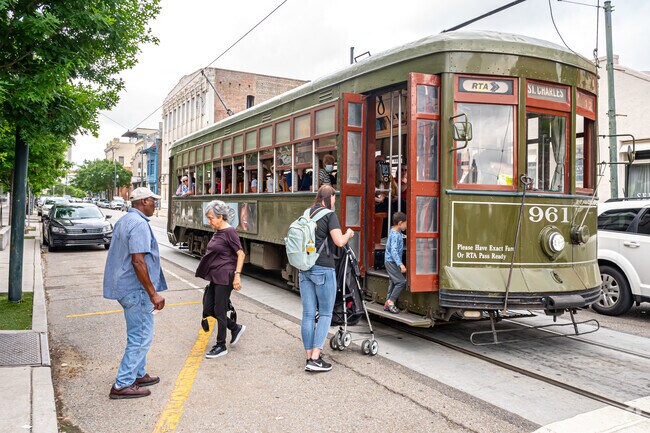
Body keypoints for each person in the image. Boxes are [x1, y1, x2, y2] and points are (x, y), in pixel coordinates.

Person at [103, 187, 167, 399]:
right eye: (152, 201)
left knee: (138, 332)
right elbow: (138, 261)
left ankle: (138, 374)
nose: (155, 205)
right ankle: (123, 384)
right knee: (140, 336)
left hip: (124, 286)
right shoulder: (139, 224)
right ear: (143, 201)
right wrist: (153, 293)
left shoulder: (125, 220)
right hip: (135, 288)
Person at [300, 185, 354, 372]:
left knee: (307, 314)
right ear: (329, 197)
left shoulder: (307, 212)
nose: (335, 201)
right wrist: (348, 233)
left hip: (304, 268)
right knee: (324, 313)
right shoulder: (329, 215)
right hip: (323, 268)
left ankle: (309, 356)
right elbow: (339, 241)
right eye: (334, 198)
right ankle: (315, 358)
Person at [196, 200, 246, 359]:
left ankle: (221, 345)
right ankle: (235, 327)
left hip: (226, 276)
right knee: (209, 308)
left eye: (211, 218)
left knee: (219, 309)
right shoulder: (217, 231)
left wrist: (237, 275)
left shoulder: (230, 231)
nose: (209, 221)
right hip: (215, 276)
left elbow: (241, 254)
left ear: (220, 216)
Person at [384, 211, 407, 314]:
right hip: (391, 262)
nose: (406, 226)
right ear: (400, 223)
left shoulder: (395, 232)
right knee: (401, 282)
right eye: (405, 224)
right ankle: (391, 301)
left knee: (393, 282)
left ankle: (386, 304)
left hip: (390, 261)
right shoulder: (395, 235)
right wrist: (400, 264)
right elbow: (393, 251)